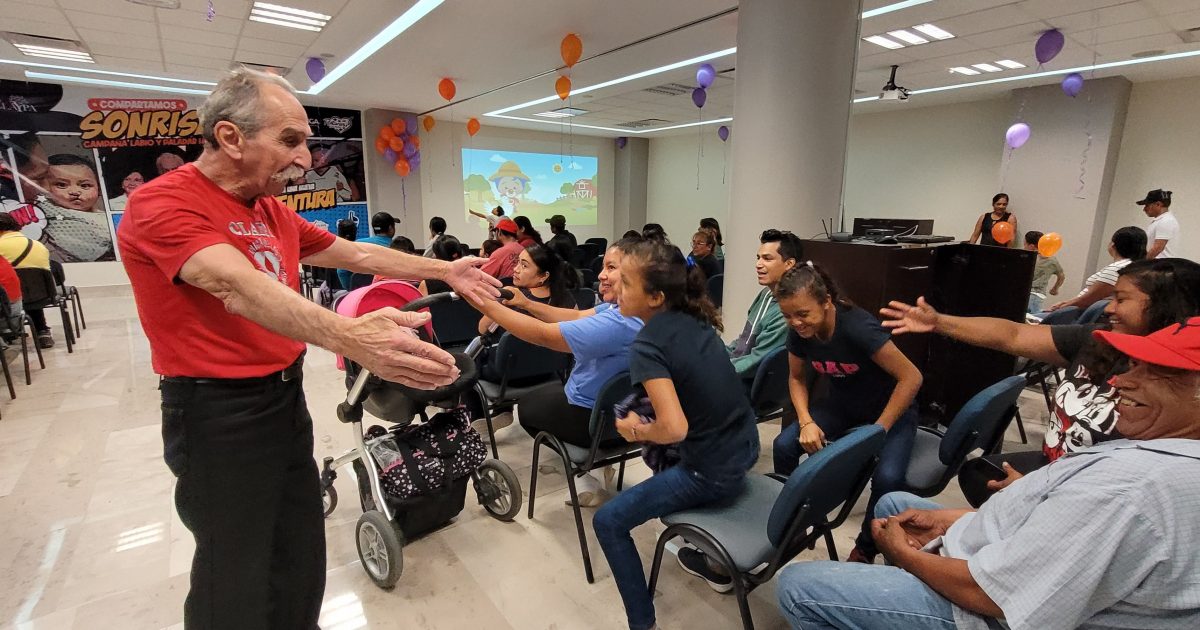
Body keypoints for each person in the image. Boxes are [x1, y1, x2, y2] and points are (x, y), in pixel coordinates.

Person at [117, 67, 499, 630]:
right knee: (235, 567)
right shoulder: (164, 202)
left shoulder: (268, 208)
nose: (303, 158)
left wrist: (445, 269)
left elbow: (355, 254)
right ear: (230, 137)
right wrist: (350, 336)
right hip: (216, 412)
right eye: (290, 140)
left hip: (283, 397)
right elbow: (235, 286)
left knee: (298, 547)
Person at [776, 317, 1200, 630]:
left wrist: (906, 556)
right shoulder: (1154, 450)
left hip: (983, 607)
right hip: (1000, 548)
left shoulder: (1127, 489)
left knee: (798, 585)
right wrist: (959, 521)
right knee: (892, 504)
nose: (1121, 381)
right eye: (1133, 365)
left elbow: (996, 595)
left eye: (1154, 373)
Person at [884, 258, 1200, 506]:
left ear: (1166, 306)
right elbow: (1013, 335)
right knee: (976, 475)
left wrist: (1036, 491)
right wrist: (938, 322)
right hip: (1054, 470)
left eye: (1121, 299)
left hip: (1084, 496)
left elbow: (1125, 490)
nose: (1109, 308)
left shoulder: (1179, 394)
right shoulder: (1100, 340)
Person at [591, 240, 758, 630]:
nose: (614, 285)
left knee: (608, 521)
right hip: (745, 447)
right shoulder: (695, 318)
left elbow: (674, 428)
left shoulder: (647, 344)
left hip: (712, 472)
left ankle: (642, 623)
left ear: (655, 297)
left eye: (625, 282)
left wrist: (636, 430)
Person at [465, 236, 644, 505]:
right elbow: (577, 316)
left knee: (528, 410)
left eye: (611, 268)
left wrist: (482, 300)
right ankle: (594, 466)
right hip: (626, 413)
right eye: (603, 266)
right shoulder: (632, 309)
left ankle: (584, 470)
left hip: (598, 419)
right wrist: (525, 303)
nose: (601, 275)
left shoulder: (620, 322)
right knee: (545, 396)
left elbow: (543, 335)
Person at [767, 264, 921, 564]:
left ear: (826, 301)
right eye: (787, 315)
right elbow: (796, 378)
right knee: (784, 445)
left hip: (890, 410)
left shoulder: (858, 328)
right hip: (844, 405)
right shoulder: (799, 331)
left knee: (888, 479)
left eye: (803, 314)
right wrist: (806, 421)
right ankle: (795, 524)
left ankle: (865, 548)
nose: (795, 322)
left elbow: (911, 377)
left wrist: (878, 431)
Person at [727, 229, 802, 382]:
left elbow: (755, 363)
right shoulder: (765, 294)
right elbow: (743, 341)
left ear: (789, 264)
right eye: (758, 258)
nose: (758, 264)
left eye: (767, 259)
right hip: (736, 371)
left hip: (746, 383)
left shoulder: (786, 312)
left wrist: (716, 369)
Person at [1042, 226, 1146, 316]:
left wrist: (1059, 307)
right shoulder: (1135, 266)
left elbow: (1088, 300)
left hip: (1078, 315)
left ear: (1113, 245)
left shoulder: (1117, 269)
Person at [477, 243, 576, 334]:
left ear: (543, 276)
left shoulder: (512, 297)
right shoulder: (567, 297)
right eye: (518, 262)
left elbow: (482, 329)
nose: (515, 269)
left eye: (524, 266)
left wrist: (500, 300)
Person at [39, 154, 114, 262]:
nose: (75, 192)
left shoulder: (107, 217)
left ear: (99, 189)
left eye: (85, 186)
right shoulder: (44, 211)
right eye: (61, 185)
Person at [0, 212, 52, 347]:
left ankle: (10, 336)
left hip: (9, 303)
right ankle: (42, 331)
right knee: (29, 289)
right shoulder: (38, 245)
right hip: (42, 295)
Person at [1023, 230, 1064, 314]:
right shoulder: (1052, 260)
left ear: (1031, 246)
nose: (1024, 247)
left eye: (1025, 244)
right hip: (1039, 295)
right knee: (1033, 315)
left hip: (1027, 293)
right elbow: (1061, 275)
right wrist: (1055, 288)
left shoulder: (1027, 257)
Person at [1139, 188, 1178, 259]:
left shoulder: (1166, 221)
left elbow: (1157, 248)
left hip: (1161, 264)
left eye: (1147, 205)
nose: (1144, 209)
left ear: (1158, 204)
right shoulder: (1161, 220)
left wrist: (1142, 262)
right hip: (1158, 263)